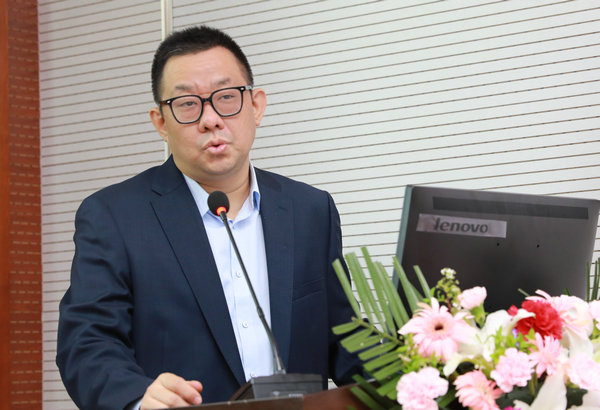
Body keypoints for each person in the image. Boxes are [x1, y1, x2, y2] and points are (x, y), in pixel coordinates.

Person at [56, 25, 361, 409]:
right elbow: (86, 342)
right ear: (160, 122)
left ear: (256, 106)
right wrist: (137, 397)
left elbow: (345, 337)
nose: (211, 119)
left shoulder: (310, 210)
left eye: (226, 97)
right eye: (187, 104)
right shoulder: (115, 216)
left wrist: (422, 364)